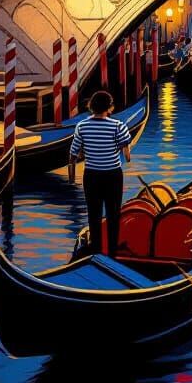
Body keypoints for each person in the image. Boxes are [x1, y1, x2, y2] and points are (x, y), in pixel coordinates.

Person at [69, 90, 133, 258]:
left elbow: (73, 155)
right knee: (113, 214)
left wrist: (71, 178)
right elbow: (127, 157)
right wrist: (123, 149)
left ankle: (96, 252)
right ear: (109, 107)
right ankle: (112, 252)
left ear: (91, 106)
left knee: (94, 215)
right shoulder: (118, 126)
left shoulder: (81, 126)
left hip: (92, 176)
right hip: (113, 176)